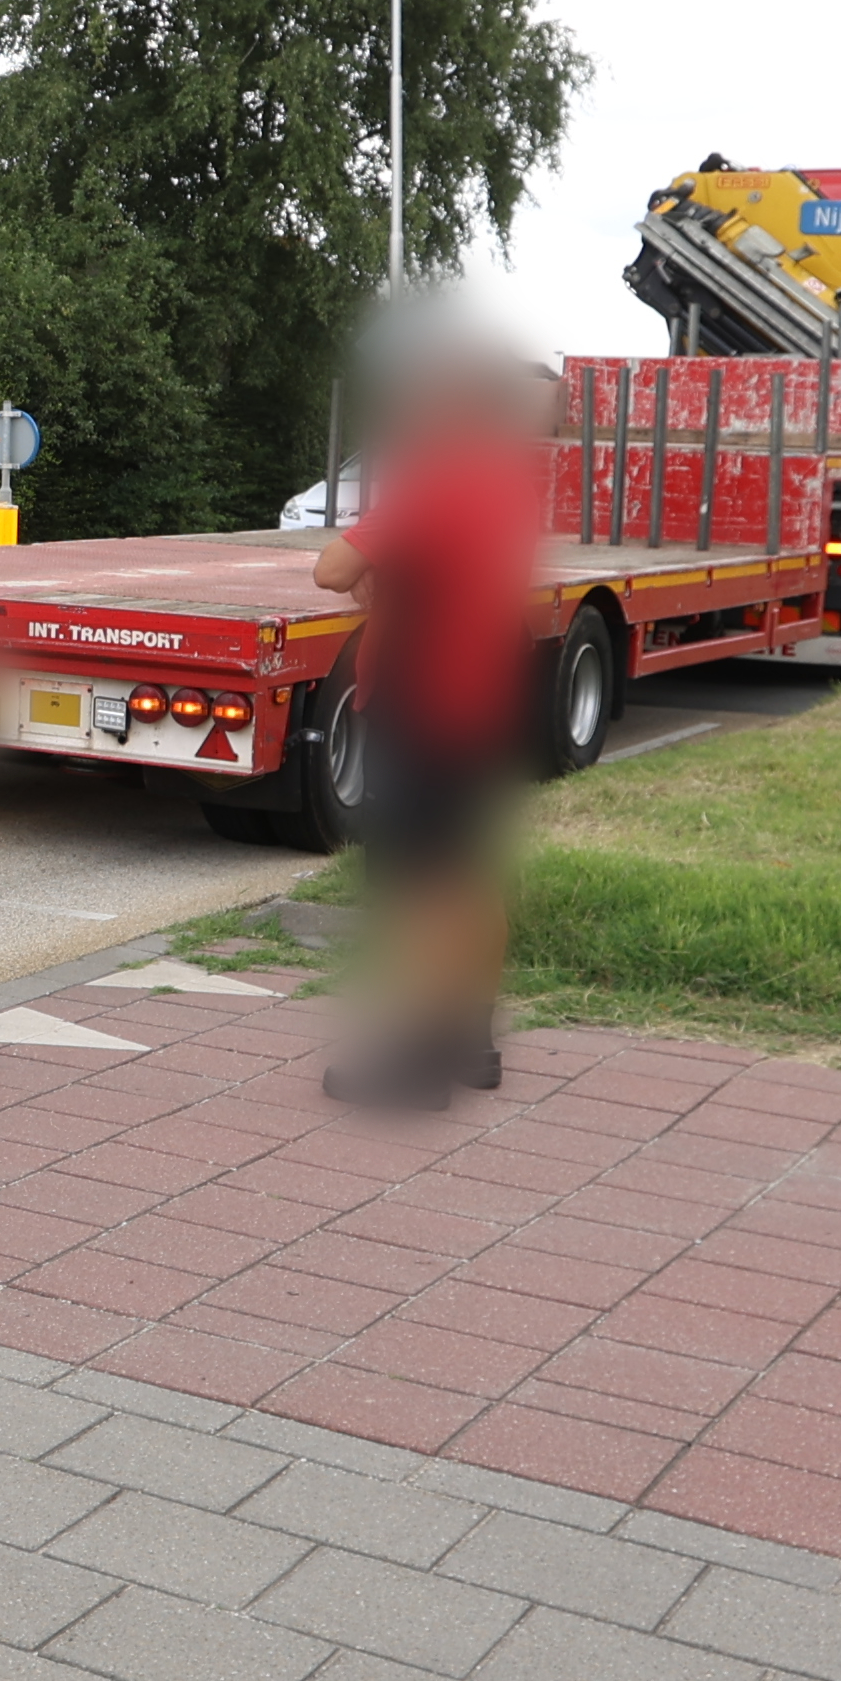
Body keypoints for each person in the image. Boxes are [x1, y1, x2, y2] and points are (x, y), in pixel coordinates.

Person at [308, 293, 543, 1108]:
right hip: (480, 696)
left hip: (418, 702)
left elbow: (331, 570)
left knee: (417, 885)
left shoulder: (434, 479)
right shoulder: (506, 480)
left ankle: (412, 1061)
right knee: (467, 872)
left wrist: (373, 564)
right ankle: (469, 1041)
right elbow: (433, 569)